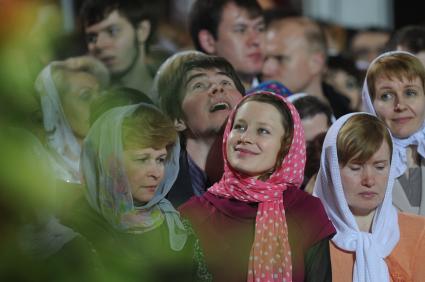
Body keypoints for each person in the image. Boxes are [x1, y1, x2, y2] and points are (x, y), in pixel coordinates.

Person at [180, 91, 336, 282]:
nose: (245, 138)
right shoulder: (192, 214)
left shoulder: (307, 211)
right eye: (239, 127)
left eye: (263, 131)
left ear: (286, 144)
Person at [63, 103, 211, 281]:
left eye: (161, 159)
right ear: (109, 161)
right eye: (142, 159)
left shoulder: (174, 223)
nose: (156, 173)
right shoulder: (75, 228)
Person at [313, 113, 425, 281]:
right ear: (331, 170)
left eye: (380, 167)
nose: (369, 180)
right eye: (356, 167)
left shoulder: (419, 233)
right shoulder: (309, 240)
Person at [154, 51, 245, 206]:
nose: (217, 88)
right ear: (177, 119)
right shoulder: (156, 190)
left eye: (226, 82)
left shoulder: (270, 179)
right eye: (199, 85)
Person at [362, 51, 425, 215]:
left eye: (410, 93)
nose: (400, 105)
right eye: (386, 95)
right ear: (370, 102)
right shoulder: (352, 163)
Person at [34, 56, 109, 184]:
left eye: (101, 94)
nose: (99, 103)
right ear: (57, 108)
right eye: (85, 96)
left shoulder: (119, 157)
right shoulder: (42, 168)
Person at [263, 15, 352, 117]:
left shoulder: (349, 122)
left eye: (280, 59)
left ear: (316, 63)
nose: (266, 69)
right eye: (264, 58)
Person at [80, 0, 157, 97]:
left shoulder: (175, 98)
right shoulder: (83, 101)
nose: (99, 44)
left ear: (142, 31)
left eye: (113, 31)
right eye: (92, 37)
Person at [189, 0, 265, 89]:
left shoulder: (279, 93)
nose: (256, 40)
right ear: (208, 41)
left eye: (260, 28)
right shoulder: (188, 100)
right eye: (241, 30)